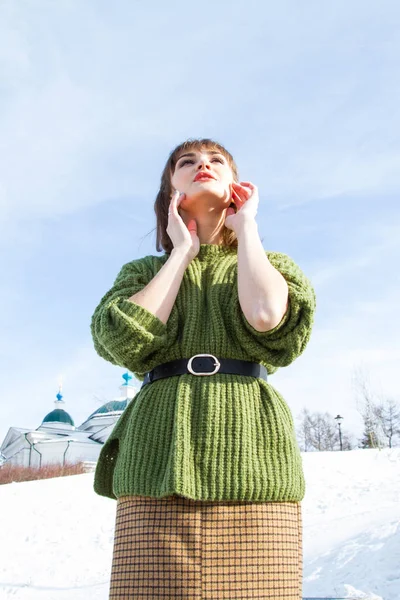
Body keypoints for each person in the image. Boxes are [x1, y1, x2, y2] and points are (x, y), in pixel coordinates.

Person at [90, 137, 317, 599]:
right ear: (169, 191)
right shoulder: (142, 271)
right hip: (157, 463)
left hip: (254, 461)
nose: (203, 165)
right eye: (186, 162)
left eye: (217, 161)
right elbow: (120, 338)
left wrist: (246, 227)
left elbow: (268, 320)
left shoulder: (270, 264)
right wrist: (180, 254)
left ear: (237, 185)